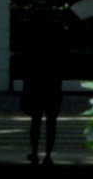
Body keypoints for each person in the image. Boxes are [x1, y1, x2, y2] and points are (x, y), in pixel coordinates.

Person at [17, 13, 66, 166]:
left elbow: (27, 73)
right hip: (52, 88)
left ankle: (35, 152)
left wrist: (24, 94)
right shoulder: (56, 51)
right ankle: (48, 155)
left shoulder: (33, 51)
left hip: (36, 88)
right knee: (51, 123)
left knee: (36, 122)